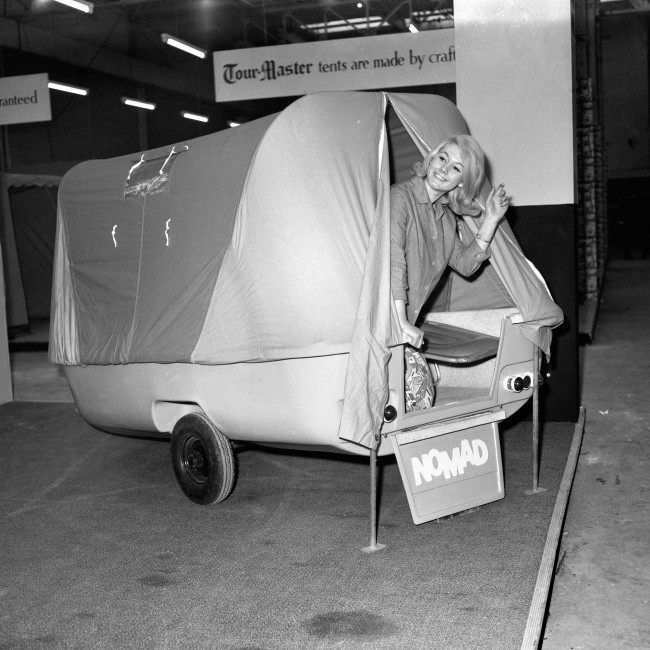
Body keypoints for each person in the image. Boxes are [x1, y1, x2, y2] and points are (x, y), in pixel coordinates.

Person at [390, 135, 509, 410]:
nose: (444, 169)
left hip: (402, 325)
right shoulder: (401, 198)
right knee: (415, 402)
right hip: (383, 321)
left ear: (461, 183)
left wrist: (491, 218)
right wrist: (401, 324)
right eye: (443, 158)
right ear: (431, 158)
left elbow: (466, 264)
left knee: (420, 400)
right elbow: (393, 263)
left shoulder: (444, 218)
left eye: (456, 168)